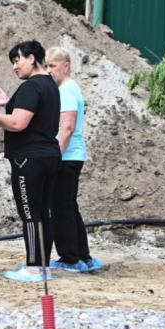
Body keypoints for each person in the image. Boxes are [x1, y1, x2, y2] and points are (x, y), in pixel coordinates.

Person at [0, 40, 62, 282]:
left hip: (29, 159)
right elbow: (34, 113)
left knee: (30, 213)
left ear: (32, 58)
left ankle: (33, 267)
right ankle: (43, 266)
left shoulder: (31, 87)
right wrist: (9, 103)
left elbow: (18, 123)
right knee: (44, 212)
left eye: (17, 60)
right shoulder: (49, 85)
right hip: (50, 155)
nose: (14, 66)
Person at [46, 47, 105, 273]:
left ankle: (70, 258)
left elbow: (68, 127)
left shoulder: (66, 91)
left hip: (67, 156)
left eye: (53, 66)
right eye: (48, 66)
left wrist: (55, 156)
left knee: (60, 207)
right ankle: (83, 256)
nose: (49, 70)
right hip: (72, 155)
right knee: (69, 206)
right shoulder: (69, 89)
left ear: (66, 66)